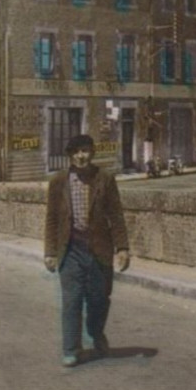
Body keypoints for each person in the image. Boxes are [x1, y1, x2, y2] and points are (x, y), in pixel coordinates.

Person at [43, 133, 132, 367]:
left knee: (99, 299)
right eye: (77, 152)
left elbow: (116, 215)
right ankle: (71, 348)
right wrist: (50, 252)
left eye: (86, 151)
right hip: (70, 248)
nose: (82, 156)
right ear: (70, 156)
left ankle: (95, 332)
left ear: (92, 153)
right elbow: (51, 219)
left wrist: (122, 247)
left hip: (98, 249)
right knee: (72, 300)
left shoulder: (104, 178)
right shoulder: (58, 182)